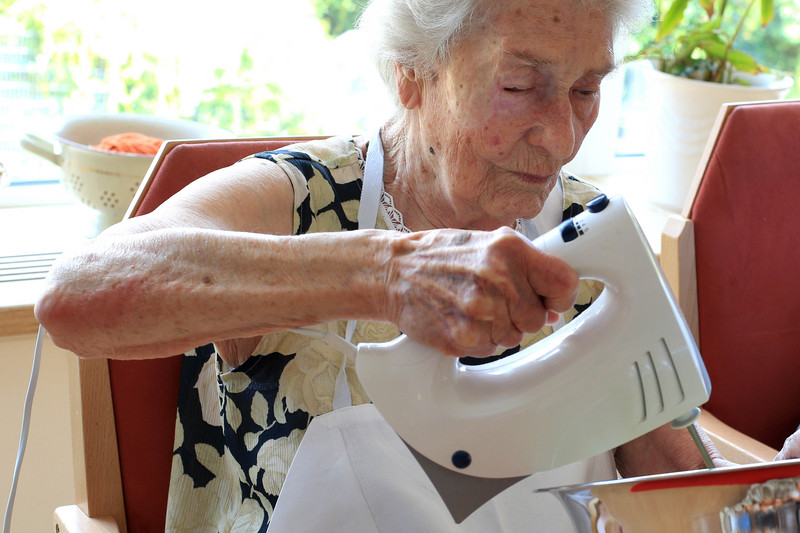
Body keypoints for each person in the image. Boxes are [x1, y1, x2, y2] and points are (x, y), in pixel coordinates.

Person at [35, 0, 736, 530]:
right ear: (411, 73)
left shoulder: (595, 241)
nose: (559, 136)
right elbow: (77, 296)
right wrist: (389, 273)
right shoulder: (305, 198)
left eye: (586, 89)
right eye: (520, 86)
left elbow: (679, 492)